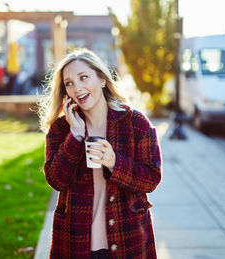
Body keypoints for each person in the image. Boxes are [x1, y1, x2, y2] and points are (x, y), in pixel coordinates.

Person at [38, 48, 162, 258]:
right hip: (75, 243)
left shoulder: (135, 124)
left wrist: (115, 162)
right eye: (69, 83)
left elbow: (151, 178)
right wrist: (75, 136)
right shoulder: (61, 129)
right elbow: (56, 181)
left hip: (127, 241)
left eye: (83, 77)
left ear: (102, 79)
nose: (77, 88)